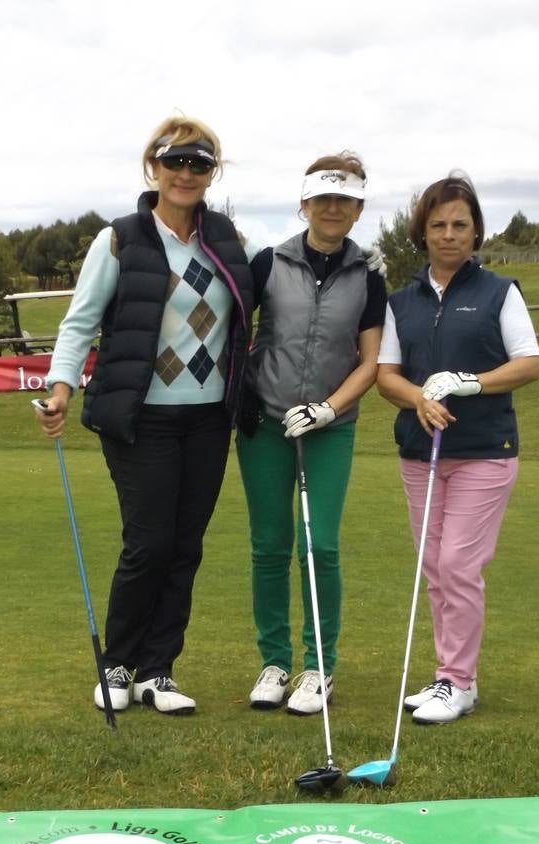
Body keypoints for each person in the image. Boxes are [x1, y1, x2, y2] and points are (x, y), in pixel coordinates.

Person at [35, 116, 254, 716]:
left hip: (209, 419)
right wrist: (60, 390)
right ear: (152, 167)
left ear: (213, 173)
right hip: (141, 417)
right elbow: (79, 323)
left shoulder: (228, 238)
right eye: (174, 161)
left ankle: (159, 669)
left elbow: (276, 280)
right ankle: (120, 664)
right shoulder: (120, 238)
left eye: (199, 163)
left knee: (186, 546)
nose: (186, 173)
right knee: (149, 542)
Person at [375, 171, 539, 725]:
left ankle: (458, 682)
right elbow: (387, 375)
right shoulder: (401, 302)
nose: (449, 234)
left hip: (484, 449)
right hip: (421, 452)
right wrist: (420, 397)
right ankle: (447, 675)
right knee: (435, 566)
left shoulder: (500, 291)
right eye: (438, 224)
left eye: (460, 225)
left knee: (458, 563)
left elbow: (528, 363)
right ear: (422, 233)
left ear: (476, 233)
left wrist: (469, 382)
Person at [238, 152, 387, 715]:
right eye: (322, 199)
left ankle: (318, 667)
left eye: (344, 200)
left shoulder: (369, 275)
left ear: (358, 209)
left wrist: (327, 409)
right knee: (270, 547)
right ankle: (274, 662)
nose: (332, 208)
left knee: (319, 544)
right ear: (304, 204)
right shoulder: (267, 263)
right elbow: (235, 336)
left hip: (331, 427)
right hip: (264, 424)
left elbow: (370, 361)